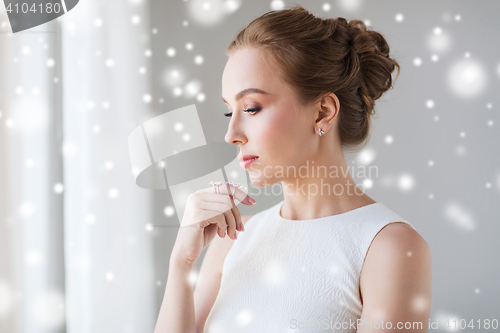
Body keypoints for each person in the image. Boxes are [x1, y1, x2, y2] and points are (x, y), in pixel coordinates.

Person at [154, 5, 432, 333]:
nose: (231, 135)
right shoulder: (233, 240)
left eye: (252, 108)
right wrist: (180, 264)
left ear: (322, 112)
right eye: (230, 112)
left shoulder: (389, 247)